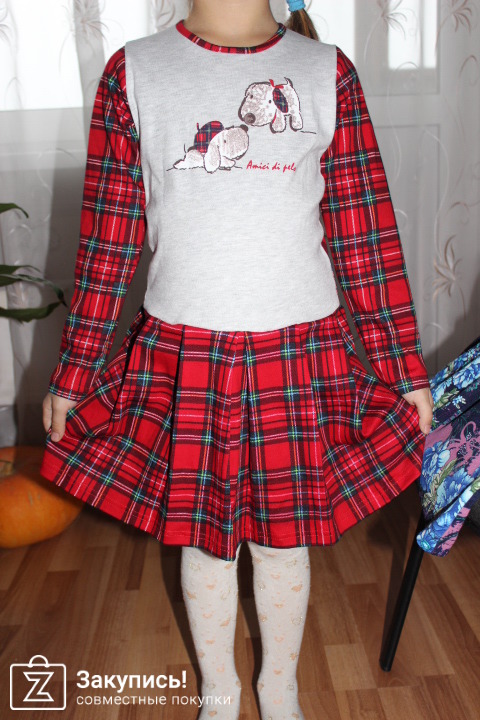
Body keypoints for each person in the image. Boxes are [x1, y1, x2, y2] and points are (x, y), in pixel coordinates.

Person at [40, 1, 434, 718]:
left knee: (284, 541)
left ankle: (278, 688)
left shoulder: (327, 73)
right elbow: (108, 238)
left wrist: (402, 365)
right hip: (185, 352)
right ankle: (218, 693)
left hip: (300, 353)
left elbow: (365, 234)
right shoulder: (134, 72)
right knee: (205, 538)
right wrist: (75, 371)